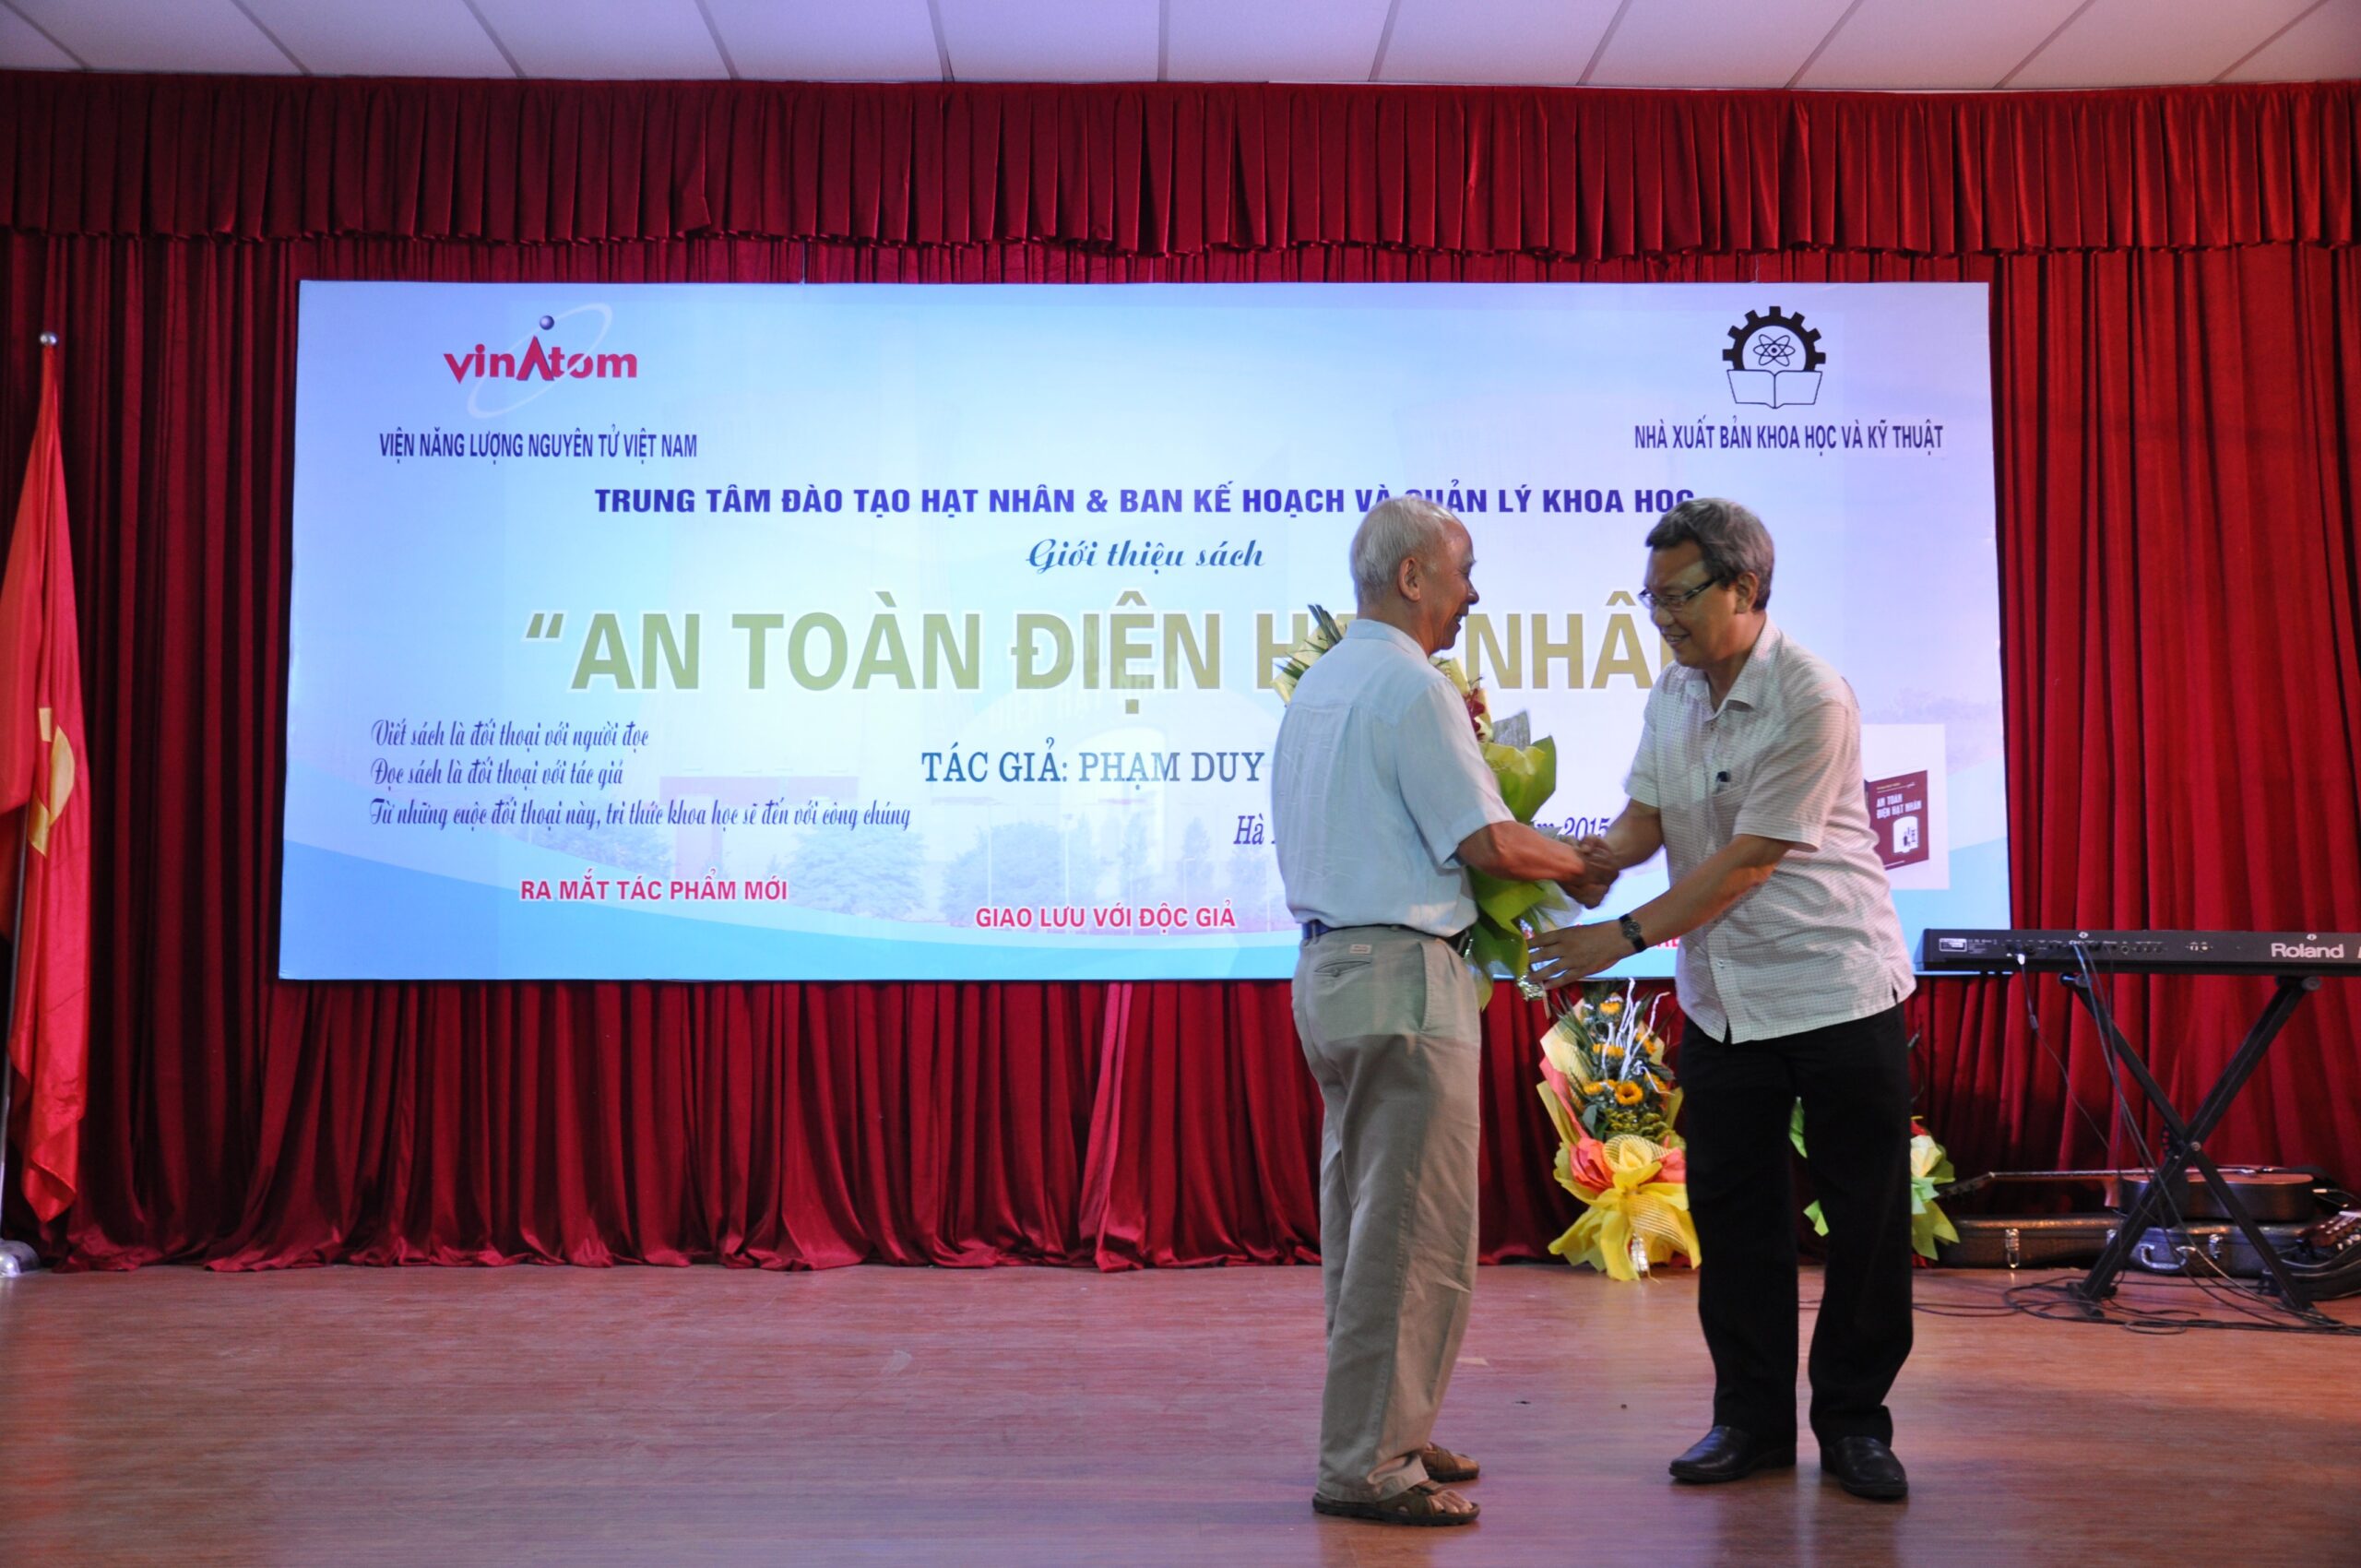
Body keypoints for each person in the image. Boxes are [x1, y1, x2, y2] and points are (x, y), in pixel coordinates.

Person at [1529, 497, 1918, 1502]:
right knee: (1736, 1223)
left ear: (1744, 587)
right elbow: (1649, 815)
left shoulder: (1812, 694)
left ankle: (1855, 1426)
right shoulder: (1674, 691)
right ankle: (1747, 1422)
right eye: (1651, 599)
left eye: (1678, 597)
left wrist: (1616, 937)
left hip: (1833, 986)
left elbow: (1748, 861)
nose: (1662, 618)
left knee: (1865, 1225)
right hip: (1723, 1001)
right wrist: (1586, 864)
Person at [1273, 495, 1610, 1527]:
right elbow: (1487, 841)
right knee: (1411, 1231)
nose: (1473, 594)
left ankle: (1389, 1427)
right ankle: (1368, 1462)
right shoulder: (1413, 686)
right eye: (1463, 571)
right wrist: (1586, 863)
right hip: (1403, 978)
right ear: (1412, 576)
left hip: (1332, 974)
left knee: (1366, 1223)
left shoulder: (1322, 683)